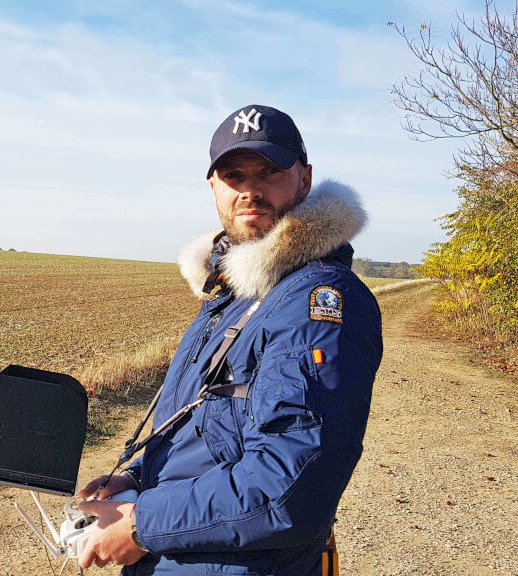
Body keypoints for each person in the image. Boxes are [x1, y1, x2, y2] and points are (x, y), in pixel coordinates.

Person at [76, 105, 383, 575]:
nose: (250, 190)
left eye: (270, 172)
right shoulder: (235, 293)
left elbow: (293, 482)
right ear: (214, 187)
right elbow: (212, 427)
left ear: (304, 179)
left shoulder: (317, 300)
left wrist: (141, 524)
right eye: (234, 174)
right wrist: (139, 481)